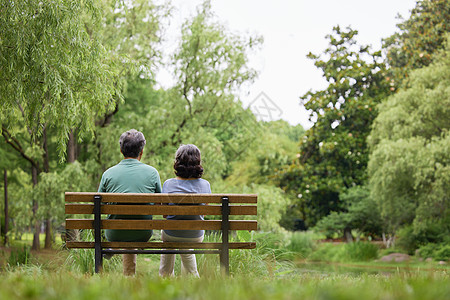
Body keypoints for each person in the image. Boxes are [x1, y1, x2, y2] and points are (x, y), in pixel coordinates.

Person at [98, 129, 161, 276]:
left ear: (121, 150)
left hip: (114, 233)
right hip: (142, 233)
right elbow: (160, 205)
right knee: (134, 222)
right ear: (142, 151)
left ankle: (125, 273)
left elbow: (99, 206)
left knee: (123, 221)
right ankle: (129, 277)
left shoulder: (108, 174)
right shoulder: (152, 173)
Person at [159, 144, 211, 277]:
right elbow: (203, 213)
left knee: (169, 235)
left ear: (178, 162)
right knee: (186, 241)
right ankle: (192, 277)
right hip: (195, 235)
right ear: (198, 162)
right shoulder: (205, 185)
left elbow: (165, 214)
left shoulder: (168, 184)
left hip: (171, 234)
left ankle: (165, 276)